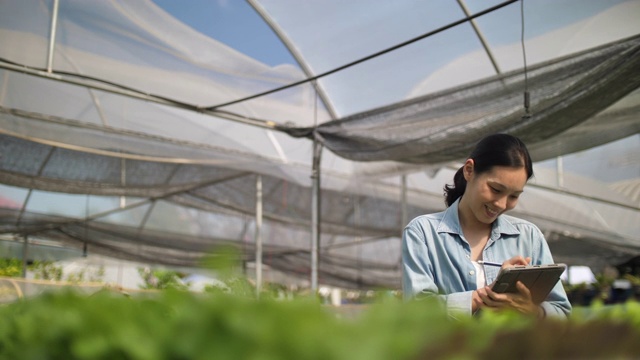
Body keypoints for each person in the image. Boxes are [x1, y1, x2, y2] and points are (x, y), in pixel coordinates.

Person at [402, 133, 571, 318]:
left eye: (514, 196)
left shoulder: (529, 237)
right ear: (469, 170)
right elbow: (416, 312)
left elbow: (562, 312)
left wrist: (531, 311)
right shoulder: (423, 233)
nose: (502, 204)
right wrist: (485, 296)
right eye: (496, 189)